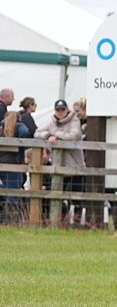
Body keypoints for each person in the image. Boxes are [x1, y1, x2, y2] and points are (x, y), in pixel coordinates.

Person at [35, 100, 85, 220]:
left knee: (76, 196)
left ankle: (77, 222)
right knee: (56, 194)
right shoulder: (52, 122)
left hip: (74, 165)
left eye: (62, 109)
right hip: (58, 166)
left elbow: (75, 135)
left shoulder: (74, 120)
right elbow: (37, 133)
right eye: (58, 109)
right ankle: (58, 220)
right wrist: (48, 136)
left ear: (67, 109)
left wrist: (56, 135)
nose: (60, 112)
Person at [0, 89, 30, 223]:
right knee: (14, 191)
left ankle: (4, 218)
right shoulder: (19, 125)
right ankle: (11, 220)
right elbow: (25, 133)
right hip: (13, 164)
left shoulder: (1, 126)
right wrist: (20, 149)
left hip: (1, 163)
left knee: (5, 190)